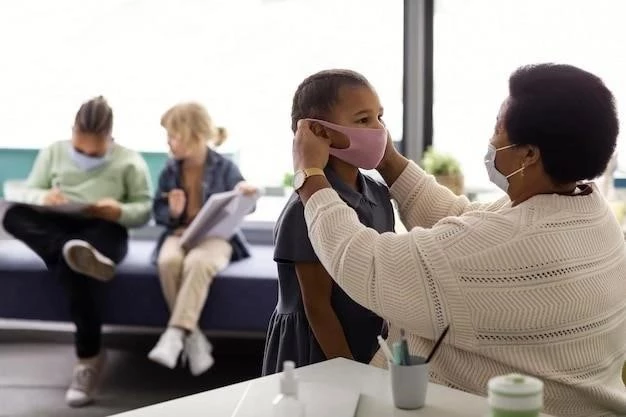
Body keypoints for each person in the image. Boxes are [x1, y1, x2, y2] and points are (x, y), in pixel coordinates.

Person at [291, 64, 626, 417]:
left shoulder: (505, 242)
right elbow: (464, 221)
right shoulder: (592, 211)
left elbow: (362, 259)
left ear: (529, 154)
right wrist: (387, 159)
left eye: (498, 128)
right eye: (364, 120)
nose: (491, 140)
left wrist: (309, 175)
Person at [2, 96, 152, 407]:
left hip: (103, 231)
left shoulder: (129, 161)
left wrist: (119, 210)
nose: (85, 153)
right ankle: (68, 251)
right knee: (13, 215)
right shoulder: (54, 152)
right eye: (80, 147)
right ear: (72, 132)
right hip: (58, 226)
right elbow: (27, 190)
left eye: (94, 150)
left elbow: (143, 211)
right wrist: (46, 197)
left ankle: (88, 358)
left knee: (76, 265)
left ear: (109, 138)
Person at [262, 69, 395, 376]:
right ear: (318, 132)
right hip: (317, 349)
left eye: (379, 117)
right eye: (363, 120)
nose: (378, 130)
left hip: (368, 337)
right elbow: (318, 309)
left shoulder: (377, 192)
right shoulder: (305, 208)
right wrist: (350, 374)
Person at [149, 102, 258, 376]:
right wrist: (172, 212)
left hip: (215, 238)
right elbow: (158, 211)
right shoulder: (170, 170)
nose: (169, 144)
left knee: (198, 263)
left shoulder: (225, 167)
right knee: (168, 261)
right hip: (179, 233)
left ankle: (175, 334)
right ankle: (193, 337)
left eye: (173, 136)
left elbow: (250, 205)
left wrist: (246, 192)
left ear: (193, 135)